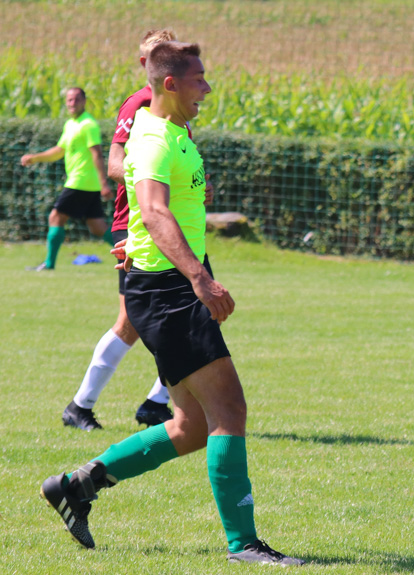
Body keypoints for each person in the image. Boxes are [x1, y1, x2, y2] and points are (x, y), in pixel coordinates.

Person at [40, 41, 304, 566]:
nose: (207, 88)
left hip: (164, 286)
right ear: (170, 85)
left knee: (191, 427)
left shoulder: (175, 131)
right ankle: (243, 545)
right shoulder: (157, 137)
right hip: (167, 291)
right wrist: (201, 280)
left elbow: (153, 214)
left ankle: (77, 485)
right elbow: (156, 213)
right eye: (199, 79)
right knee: (229, 410)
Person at [61, 30, 187, 432]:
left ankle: (153, 403)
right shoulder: (140, 102)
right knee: (135, 321)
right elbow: (117, 165)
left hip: (170, 223)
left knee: (197, 310)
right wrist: (153, 178)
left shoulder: (177, 108)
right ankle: (86, 405)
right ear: (143, 64)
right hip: (134, 224)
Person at [20, 87, 114, 271]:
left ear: (84, 101)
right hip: (86, 184)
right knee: (97, 226)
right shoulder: (71, 124)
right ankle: (131, 255)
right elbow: (59, 151)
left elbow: (97, 154)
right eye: (69, 100)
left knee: (56, 217)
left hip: (80, 182)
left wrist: (104, 183)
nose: (72, 103)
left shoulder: (88, 124)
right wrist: (35, 157)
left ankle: (49, 264)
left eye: (76, 99)